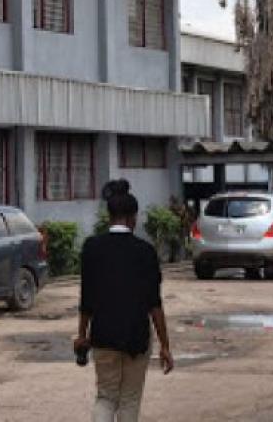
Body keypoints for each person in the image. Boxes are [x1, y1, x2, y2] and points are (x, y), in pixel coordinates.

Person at [74, 179, 174, 422]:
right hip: (136, 337)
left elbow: (86, 298)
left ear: (109, 215)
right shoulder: (145, 252)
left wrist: (82, 335)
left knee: (106, 397)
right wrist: (165, 346)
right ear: (133, 217)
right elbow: (154, 304)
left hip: (103, 335)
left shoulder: (92, 248)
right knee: (129, 399)